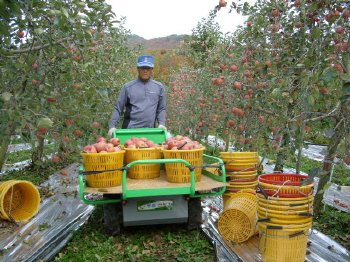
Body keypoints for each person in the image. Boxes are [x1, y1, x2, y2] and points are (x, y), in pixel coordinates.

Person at [108, 55, 166, 137]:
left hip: (150, 131)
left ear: (152, 70)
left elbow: (161, 108)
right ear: (138, 68)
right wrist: (112, 126)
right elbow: (118, 108)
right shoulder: (128, 87)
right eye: (142, 68)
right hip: (130, 131)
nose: (145, 71)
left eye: (148, 68)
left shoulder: (159, 87)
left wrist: (162, 123)